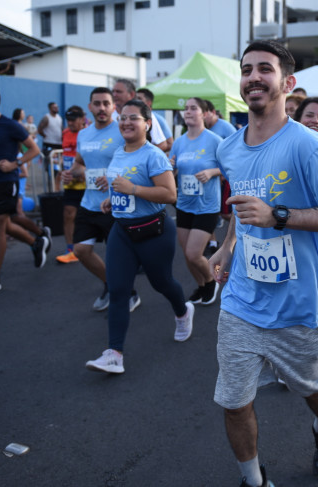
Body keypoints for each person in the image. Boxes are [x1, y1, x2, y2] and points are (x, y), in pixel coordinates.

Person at [208, 39, 318, 486]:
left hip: (298, 302)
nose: (254, 76)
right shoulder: (229, 149)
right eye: (246, 69)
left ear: (287, 83)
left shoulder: (309, 146)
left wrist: (279, 217)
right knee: (233, 400)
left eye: (265, 69)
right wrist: (227, 245)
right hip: (242, 300)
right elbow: (244, 207)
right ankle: (254, 480)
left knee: (314, 390)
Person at [84, 99, 193, 374]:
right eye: (122, 118)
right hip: (122, 231)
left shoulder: (153, 154)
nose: (126, 122)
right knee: (118, 289)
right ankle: (114, 354)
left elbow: (170, 195)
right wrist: (112, 199)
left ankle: (183, 312)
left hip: (154, 230)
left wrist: (132, 189)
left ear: (147, 124)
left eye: (133, 118)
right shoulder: (119, 152)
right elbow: (122, 188)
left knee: (162, 282)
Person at [63, 88, 141, 312]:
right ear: (90, 107)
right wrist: (73, 172)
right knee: (80, 251)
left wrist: (116, 177)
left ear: (113, 107)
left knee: (117, 257)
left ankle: (128, 293)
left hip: (115, 205)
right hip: (89, 203)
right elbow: (79, 163)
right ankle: (111, 284)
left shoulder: (121, 131)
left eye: (106, 103)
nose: (102, 108)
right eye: (97, 104)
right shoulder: (84, 134)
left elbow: (137, 161)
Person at [0, 86, 49, 293]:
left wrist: (15, 164)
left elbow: (34, 149)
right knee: (1, 224)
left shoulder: (11, 126)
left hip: (7, 181)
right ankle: (36, 242)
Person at [170, 97, 223, 305]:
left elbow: (229, 168)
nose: (188, 111)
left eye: (193, 108)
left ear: (204, 113)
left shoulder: (213, 140)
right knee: (187, 254)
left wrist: (211, 171)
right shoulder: (179, 141)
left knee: (194, 254)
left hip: (207, 205)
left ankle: (212, 280)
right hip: (184, 204)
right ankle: (201, 286)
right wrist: (169, 167)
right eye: (186, 108)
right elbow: (172, 170)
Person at [55, 106, 88, 264]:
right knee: (68, 214)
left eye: (73, 120)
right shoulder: (65, 133)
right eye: (68, 120)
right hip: (71, 181)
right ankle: (71, 249)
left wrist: (85, 172)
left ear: (82, 119)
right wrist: (63, 171)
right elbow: (66, 156)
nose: (70, 123)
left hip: (87, 183)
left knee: (92, 218)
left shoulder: (88, 134)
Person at [111, 79, 170, 153]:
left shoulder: (144, 113)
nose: (114, 95)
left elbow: (162, 144)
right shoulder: (109, 115)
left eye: (119, 92)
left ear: (132, 94)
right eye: (113, 91)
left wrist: (140, 157)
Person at [136, 88, 174, 153]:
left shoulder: (158, 119)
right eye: (135, 98)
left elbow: (170, 143)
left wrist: (147, 153)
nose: (136, 101)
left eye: (139, 98)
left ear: (148, 103)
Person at [38, 102, 63, 191]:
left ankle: (57, 188)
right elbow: (39, 128)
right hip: (49, 145)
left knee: (60, 169)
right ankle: (51, 190)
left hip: (58, 145)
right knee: (51, 169)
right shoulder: (46, 118)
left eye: (57, 107)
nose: (56, 108)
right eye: (54, 107)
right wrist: (45, 136)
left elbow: (60, 129)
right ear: (50, 108)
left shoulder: (59, 118)